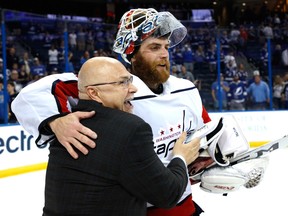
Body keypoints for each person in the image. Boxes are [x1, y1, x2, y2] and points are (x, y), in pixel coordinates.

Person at [12, 8, 212, 216]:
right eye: (154, 47)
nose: (164, 54)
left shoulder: (186, 88)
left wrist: (207, 159)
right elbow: (29, 97)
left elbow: (204, 134)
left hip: (186, 207)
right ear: (131, 54)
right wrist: (57, 120)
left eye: (166, 47)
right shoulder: (112, 89)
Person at [43, 56, 201, 215]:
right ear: (93, 93)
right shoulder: (131, 129)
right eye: (123, 82)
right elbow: (168, 195)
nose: (133, 88)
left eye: (130, 80)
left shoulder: (64, 127)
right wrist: (180, 157)